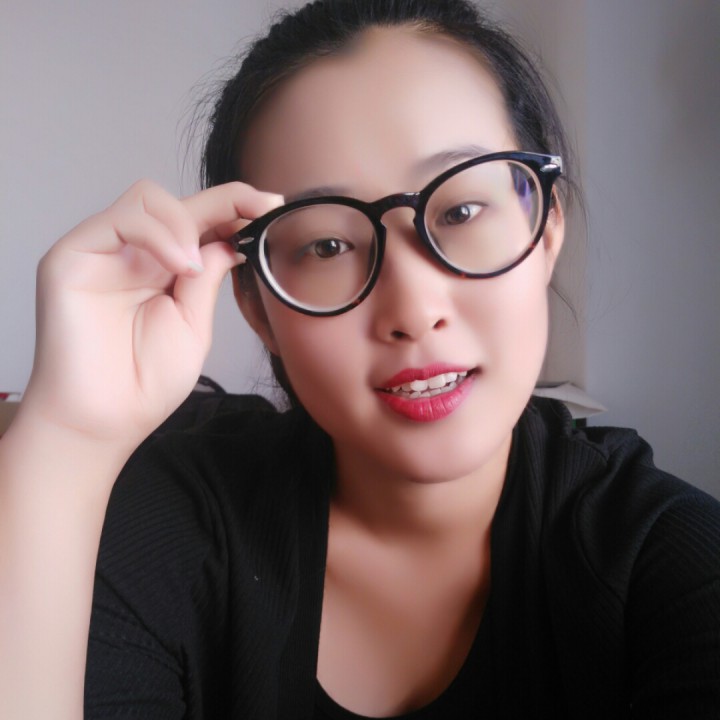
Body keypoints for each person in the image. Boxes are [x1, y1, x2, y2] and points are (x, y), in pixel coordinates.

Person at [0, 0, 718, 718]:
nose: (413, 309)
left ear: (546, 229)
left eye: (461, 212)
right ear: (257, 307)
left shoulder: (670, 563)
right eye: (327, 246)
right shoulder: (170, 526)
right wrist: (66, 439)